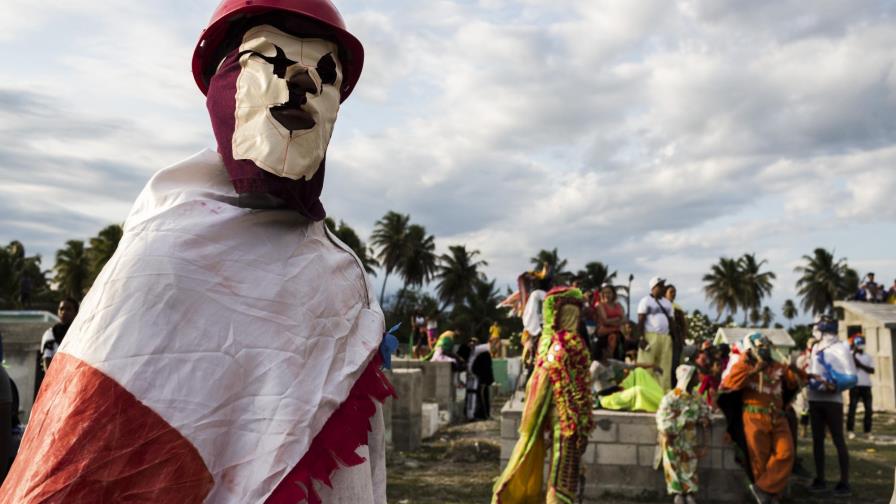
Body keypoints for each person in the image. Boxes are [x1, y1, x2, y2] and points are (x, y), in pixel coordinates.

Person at [1, 2, 394, 502]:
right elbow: (79, 462)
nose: (303, 83)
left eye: (326, 73)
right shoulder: (161, 257)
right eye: (269, 60)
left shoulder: (343, 275)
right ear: (224, 87)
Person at [493, 287, 594, 504]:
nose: (575, 318)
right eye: (571, 312)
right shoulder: (567, 344)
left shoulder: (550, 344)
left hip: (562, 417)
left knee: (562, 473)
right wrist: (580, 422)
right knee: (562, 475)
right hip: (567, 420)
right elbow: (573, 388)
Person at [718, 333, 800, 504]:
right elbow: (729, 384)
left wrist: (795, 368)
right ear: (751, 349)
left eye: (766, 346)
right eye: (760, 347)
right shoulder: (742, 365)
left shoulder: (778, 365)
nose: (764, 349)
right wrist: (755, 369)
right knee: (759, 459)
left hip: (778, 416)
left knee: (786, 453)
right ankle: (770, 496)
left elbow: (793, 383)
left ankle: (762, 489)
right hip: (754, 416)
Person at [807, 315, 854, 497]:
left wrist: (833, 385)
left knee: (837, 439)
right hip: (814, 398)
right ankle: (820, 479)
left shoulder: (841, 348)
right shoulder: (815, 347)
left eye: (817, 327)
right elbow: (814, 370)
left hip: (833, 400)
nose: (814, 331)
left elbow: (851, 377)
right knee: (817, 440)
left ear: (825, 329)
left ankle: (844, 482)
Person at [656, 365, 711, 504]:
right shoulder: (671, 397)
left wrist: (704, 418)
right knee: (673, 464)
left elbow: (704, 410)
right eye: (694, 376)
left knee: (690, 463)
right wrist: (667, 432)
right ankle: (678, 493)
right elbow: (662, 416)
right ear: (686, 378)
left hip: (688, 436)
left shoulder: (697, 396)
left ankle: (690, 492)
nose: (697, 378)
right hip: (673, 438)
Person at [638, 277, 675, 390]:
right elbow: (641, 320)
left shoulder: (667, 303)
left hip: (665, 337)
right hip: (650, 336)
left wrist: (672, 337)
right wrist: (641, 338)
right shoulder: (645, 301)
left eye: (663, 285)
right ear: (653, 288)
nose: (663, 287)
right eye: (660, 285)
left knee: (665, 366)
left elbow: (671, 321)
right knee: (647, 364)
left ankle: (663, 392)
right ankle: (644, 390)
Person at [39, 298, 79, 371]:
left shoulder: (81, 333)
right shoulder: (50, 333)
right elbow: (47, 358)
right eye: (61, 309)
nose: (64, 312)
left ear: (76, 313)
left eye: (68, 309)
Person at [847, 335, 875, 440]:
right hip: (855, 385)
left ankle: (867, 431)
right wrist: (853, 356)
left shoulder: (868, 356)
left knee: (869, 410)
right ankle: (850, 430)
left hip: (866, 385)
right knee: (852, 409)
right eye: (859, 344)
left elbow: (872, 370)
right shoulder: (851, 356)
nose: (861, 346)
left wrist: (860, 365)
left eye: (862, 344)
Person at [463, 338, 495, 421]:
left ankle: (484, 415)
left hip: (481, 380)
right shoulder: (472, 354)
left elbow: (486, 369)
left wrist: (485, 380)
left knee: (482, 397)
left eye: (474, 342)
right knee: (475, 397)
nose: (471, 344)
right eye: (470, 342)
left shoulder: (483, 354)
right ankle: (474, 414)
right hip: (474, 380)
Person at [665, 284, 688, 386]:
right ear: (665, 293)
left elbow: (683, 324)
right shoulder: (662, 306)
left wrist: (683, 337)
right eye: (671, 292)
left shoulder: (677, 307)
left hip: (676, 339)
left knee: (676, 363)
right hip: (665, 338)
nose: (673, 294)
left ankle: (674, 384)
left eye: (675, 292)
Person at [595, 283, 625, 361]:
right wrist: (617, 319)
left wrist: (612, 320)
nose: (607, 295)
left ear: (613, 294)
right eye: (604, 293)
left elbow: (624, 319)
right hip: (604, 333)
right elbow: (605, 321)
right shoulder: (600, 305)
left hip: (617, 332)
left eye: (609, 292)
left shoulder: (618, 305)